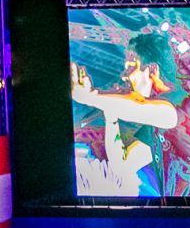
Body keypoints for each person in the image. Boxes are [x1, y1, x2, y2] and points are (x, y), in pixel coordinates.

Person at [72, 31, 183, 197]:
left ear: (152, 69)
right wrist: (111, 117)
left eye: (131, 67)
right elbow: (123, 165)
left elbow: (143, 108)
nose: (124, 76)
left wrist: (90, 97)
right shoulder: (155, 124)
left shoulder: (181, 101)